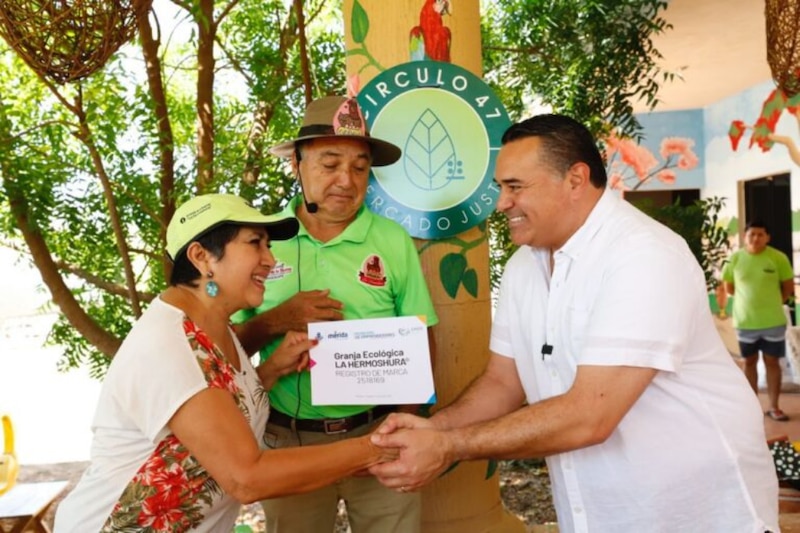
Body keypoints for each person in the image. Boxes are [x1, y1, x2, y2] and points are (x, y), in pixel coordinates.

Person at [369, 114, 779, 531]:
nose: (501, 203)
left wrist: (448, 446)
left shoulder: (643, 255)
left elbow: (590, 415)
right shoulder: (522, 268)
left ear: (576, 179)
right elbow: (502, 383)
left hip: (698, 514)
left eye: (515, 187)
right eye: (500, 188)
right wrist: (433, 428)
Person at [54, 194, 398, 533]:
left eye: (268, 246)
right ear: (202, 257)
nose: (270, 259)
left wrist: (273, 368)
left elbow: (219, 410)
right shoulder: (170, 345)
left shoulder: (212, 326)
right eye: (255, 244)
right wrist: (373, 448)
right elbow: (247, 477)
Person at [232, 95, 438, 533]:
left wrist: (403, 428)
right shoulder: (260, 242)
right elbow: (223, 347)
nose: (346, 180)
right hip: (288, 441)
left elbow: (421, 337)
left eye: (360, 167)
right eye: (329, 164)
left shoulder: (391, 239)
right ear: (297, 166)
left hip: (377, 432)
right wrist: (276, 319)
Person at [722, 219, 795, 421]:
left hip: (773, 322)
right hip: (745, 323)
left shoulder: (778, 258)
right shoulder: (734, 259)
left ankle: (774, 406)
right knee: (749, 362)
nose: (755, 238)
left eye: (760, 234)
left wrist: (772, 303)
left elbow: (788, 287)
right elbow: (729, 287)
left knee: (772, 363)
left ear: (767, 237)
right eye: (751, 234)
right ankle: (753, 407)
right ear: (744, 237)